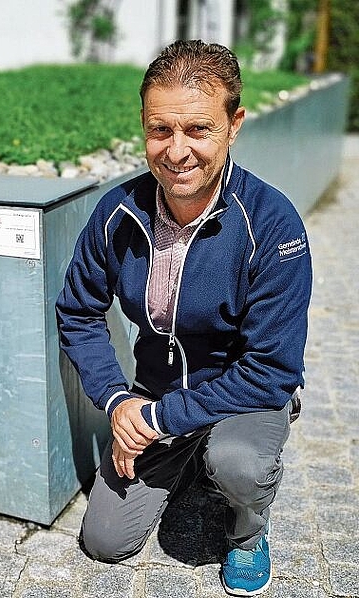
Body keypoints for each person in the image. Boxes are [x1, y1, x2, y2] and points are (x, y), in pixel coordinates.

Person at [56, 40, 311, 596]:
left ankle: (248, 531)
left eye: (198, 130)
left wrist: (156, 419)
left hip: (244, 395)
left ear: (234, 124)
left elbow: (271, 368)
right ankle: (190, 450)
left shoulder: (273, 225)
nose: (176, 151)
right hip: (157, 391)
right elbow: (77, 312)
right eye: (160, 129)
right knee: (105, 542)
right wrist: (119, 402)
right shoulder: (117, 212)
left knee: (238, 462)